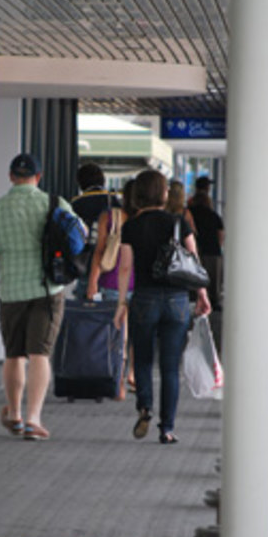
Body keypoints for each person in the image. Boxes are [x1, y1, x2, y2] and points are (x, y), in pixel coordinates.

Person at [0, 152, 75, 441]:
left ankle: (15, 413)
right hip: (47, 290)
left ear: (10, 177)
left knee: (13, 354)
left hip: (11, 292)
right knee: (40, 353)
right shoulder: (54, 204)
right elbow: (77, 241)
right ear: (38, 177)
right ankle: (34, 418)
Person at [114, 169, 211, 444]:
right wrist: (202, 294)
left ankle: (145, 406)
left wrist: (122, 302)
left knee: (142, 358)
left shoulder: (131, 226)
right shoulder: (178, 223)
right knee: (170, 367)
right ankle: (167, 428)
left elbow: (124, 267)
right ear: (163, 193)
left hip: (144, 298)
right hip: (177, 301)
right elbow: (193, 261)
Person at [85, 178, 136, 399]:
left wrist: (92, 281)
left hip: (113, 283)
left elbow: (99, 251)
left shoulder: (110, 217)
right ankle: (132, 375)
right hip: (144, 285)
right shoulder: (146, 218)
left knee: (118, 337)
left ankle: (118, 384)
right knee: (136, 335)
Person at [70, 162, 122, 300]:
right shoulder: (114, 201)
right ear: (102, 180)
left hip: (85, 263)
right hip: (111, 263)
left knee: (86, 312)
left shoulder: (76, 204)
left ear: (80, 183)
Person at [188, 176, 225, 310]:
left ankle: (197, 299)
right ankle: (212, 303)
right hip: (212, 251)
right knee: (213, 283)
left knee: (195, 280)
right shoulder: (213, 215)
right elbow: (221, 233)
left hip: (196, 252)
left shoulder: (190, 212)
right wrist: (218, 248)